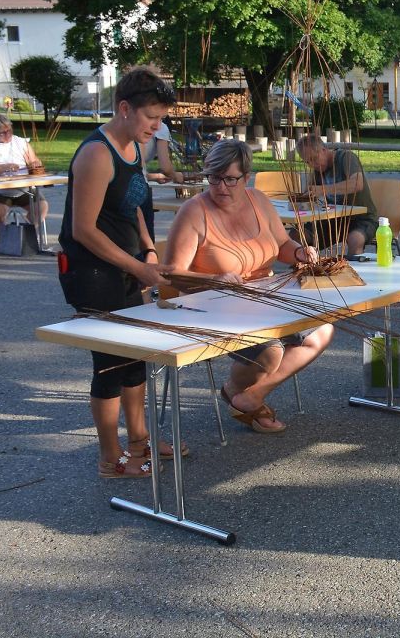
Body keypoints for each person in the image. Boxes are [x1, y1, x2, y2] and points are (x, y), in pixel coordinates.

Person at [57, 67, 176, 479]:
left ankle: (139, 440)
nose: (156, 127)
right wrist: (138, 268)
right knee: (110, 363)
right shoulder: (96, 154)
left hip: (127, 265)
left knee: (136, 357)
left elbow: (135, 206)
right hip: (92, 273)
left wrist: (148, 250)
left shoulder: (133, 146)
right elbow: (83, 230)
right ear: (125, 108)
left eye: (160, 119)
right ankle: (110, 458)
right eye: (151, 118)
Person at [166, 139, 332, 433]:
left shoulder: (258, 201)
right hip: (211, 304)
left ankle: (249, 396)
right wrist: (214, 281)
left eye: (230, 179)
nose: (221, 187)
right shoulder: (194, 212)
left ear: (246, 177)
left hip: (263, 298)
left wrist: (299, 253)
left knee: (321, 331)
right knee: (271, 351)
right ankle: (238, 391)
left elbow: (281, 245)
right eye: (214, 178)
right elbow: (173, 274)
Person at [294, 134, 378, 256]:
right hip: (334, 219)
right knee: (297, 235)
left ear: (323, 150)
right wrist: (303, 198)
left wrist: (324, 189)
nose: (312, 164)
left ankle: (352, 268)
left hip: (362, 218)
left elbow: (357, 184)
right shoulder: (317, 170)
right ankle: (307, 267)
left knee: (355, 239)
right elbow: (308, 194)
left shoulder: (346, 158)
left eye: (314, 158)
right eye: (307, 162)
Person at [0, 113, 49, 232]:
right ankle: (7, 237)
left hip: (25, 190)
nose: (7, 134)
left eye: (9, 130)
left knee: (41, 207)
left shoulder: (21, 142)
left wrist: (35, 164)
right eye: (2, 133)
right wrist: (5, 167)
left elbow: (34, 160)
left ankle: (27, 235)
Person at [139, 117, 183, 241]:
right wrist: (176, 175)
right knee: (146, 237)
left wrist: (155, 177)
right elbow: (165, 167)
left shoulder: (131, 123)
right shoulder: (161, 127)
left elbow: (135, 169)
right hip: (139, 189)